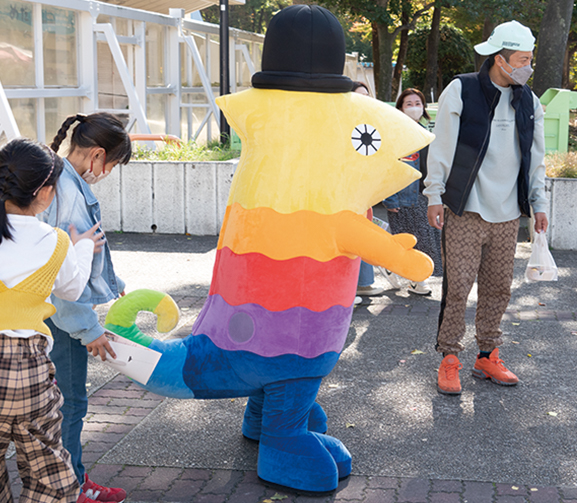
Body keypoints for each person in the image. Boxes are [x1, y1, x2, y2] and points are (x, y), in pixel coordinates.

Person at [423, 20, 548, 395]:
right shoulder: (461, 90)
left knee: (498, 289)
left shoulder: (529, 101)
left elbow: (536, 159)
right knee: (458, 288)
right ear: (500, 59)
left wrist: (539, 203)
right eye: (523, 60)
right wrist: (434, 194)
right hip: (466, 208)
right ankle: (449, 359)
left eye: (531, 59)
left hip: (508, 213)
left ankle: (487, 355)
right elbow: (441, 145)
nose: (528, 67)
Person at [0, 138, 105, 503]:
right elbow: (72, 290)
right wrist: (83, 249)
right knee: (47, 471)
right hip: (27, 371)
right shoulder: (54, 241)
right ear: (45, 193)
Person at [40, 113, 132, 503]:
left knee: (49, 404)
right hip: (61, 320)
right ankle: (73, 486)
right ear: (96, 155)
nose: (106, 173)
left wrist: (114, 285)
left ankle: (59, 480)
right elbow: (64, 279)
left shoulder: (53, 175)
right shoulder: (69, 193)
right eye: (110, 165)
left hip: (38, 313)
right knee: (70, 402)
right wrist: (88, 329)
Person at [383, 88, 443, 295]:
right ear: (400, 108)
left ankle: (404, 273)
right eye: (409, 104)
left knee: (424, 239)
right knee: (411, 240)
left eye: (418, 103)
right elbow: (387, 167)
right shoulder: (395, 134)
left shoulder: (426, 133)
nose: (414, 107)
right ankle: (417, 279)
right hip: (404, 197)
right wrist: (390, 199)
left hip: (424, 195)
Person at [352, 81, 386, 297]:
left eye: (367, 95)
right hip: (350, 185)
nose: (366, 99)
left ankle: (364, 281)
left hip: (365, 185)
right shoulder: (344, 123)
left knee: (364, 228)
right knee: (355, 231)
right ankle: (358, 284)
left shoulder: (373, 120)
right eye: (359, 95)